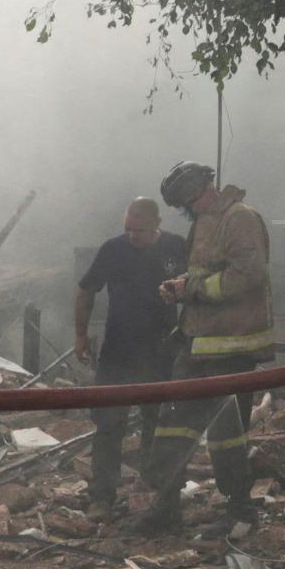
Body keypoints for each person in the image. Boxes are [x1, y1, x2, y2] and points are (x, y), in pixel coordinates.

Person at [142, 160, 272, 536]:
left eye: (182, 203)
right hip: (197, 343)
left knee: (227, 433)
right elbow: (206, 274)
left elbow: (249, 275)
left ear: (194, 193)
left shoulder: (240, 218)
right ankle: (165, 507)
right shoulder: (204, 222)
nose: (182, 212)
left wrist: (192, 290)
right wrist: (182, 285)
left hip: (232, 346)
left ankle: (241, 514)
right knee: (173, 426)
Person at [72, 195, 187, 513]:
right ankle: (102, 495)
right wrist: (81, 335)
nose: (133, 236)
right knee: (109, 423)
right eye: (128, 229)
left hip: (162, 350)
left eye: (140, 230)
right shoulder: (114, 249)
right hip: (118, 352)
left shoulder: (177, 248)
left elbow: (197, 288)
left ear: (157, 224)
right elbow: (86, 290)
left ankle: (152, 493)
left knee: (158, 423)